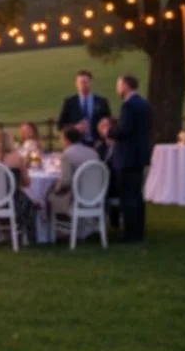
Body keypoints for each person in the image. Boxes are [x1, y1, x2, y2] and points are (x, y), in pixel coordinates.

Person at [111, 74, 153, 241]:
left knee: (127, 197)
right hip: (140, 155)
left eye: (119, 85)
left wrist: (109, 131)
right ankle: (139, 231)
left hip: (127, 157)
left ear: (126, 86)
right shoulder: (145, 104)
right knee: (137, 195)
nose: (117, 89)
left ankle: (130, 234)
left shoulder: (128, 106)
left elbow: (124, 131)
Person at [0, 129, 40, 242]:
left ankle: (5, 234)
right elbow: (27, 182)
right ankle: (31, 238)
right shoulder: (17, 158)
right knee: (33, 203)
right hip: (13, 200)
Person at [47, 127, 100, 217]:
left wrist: (55, 188)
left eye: (61, 139)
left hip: (77, 198)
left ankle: (48, 229)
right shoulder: (93, 152)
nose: (60, 141)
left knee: (46, 196)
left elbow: (65, 182)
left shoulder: (67, 154)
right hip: (96, 195)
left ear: (66, 140)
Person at [57, 69, 113, 146]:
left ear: (91, 83)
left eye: (86, 82)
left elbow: (109, 122)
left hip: (98, 144)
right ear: (76, 84)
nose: (83, 85)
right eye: (81, 82)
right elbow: (60, 125)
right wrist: (74, 127)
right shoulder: (70, 102)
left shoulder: (101, 102)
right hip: (76, 145)